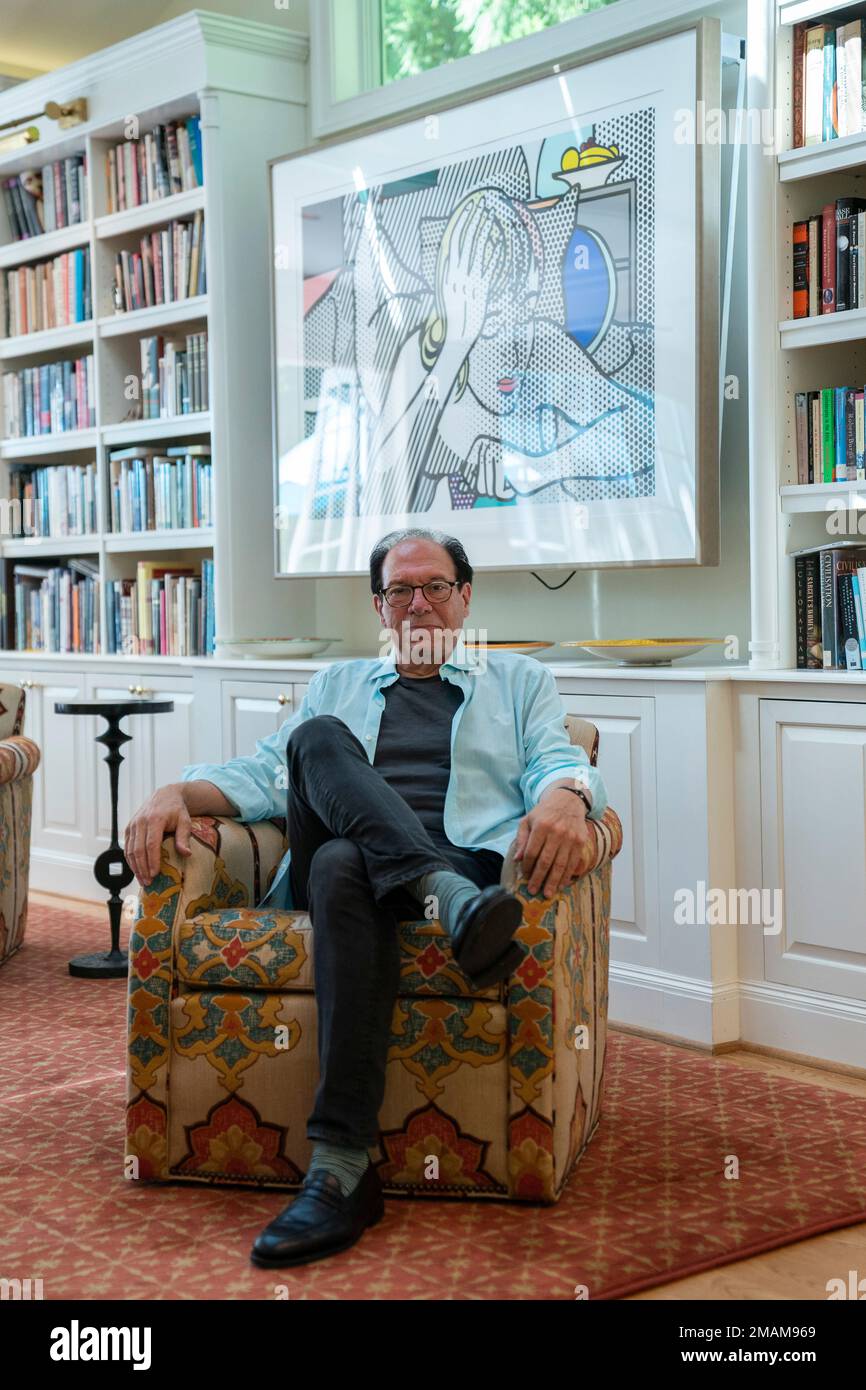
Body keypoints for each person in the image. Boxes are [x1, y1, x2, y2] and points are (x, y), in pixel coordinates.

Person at [124, 527, 608, 1268]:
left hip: (436, 866)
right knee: (313, 738)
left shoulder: (519, 683)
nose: (420, 605)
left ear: (465, 596)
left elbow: (558, 760)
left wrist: (571, 795)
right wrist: (171, 789)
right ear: (379, 607)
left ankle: (340, 1170)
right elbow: (261, 777)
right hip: (452, 904)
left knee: (343, 863)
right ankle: (441, 894)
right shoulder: (337, 685)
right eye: (401, 591)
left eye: (436, 587)